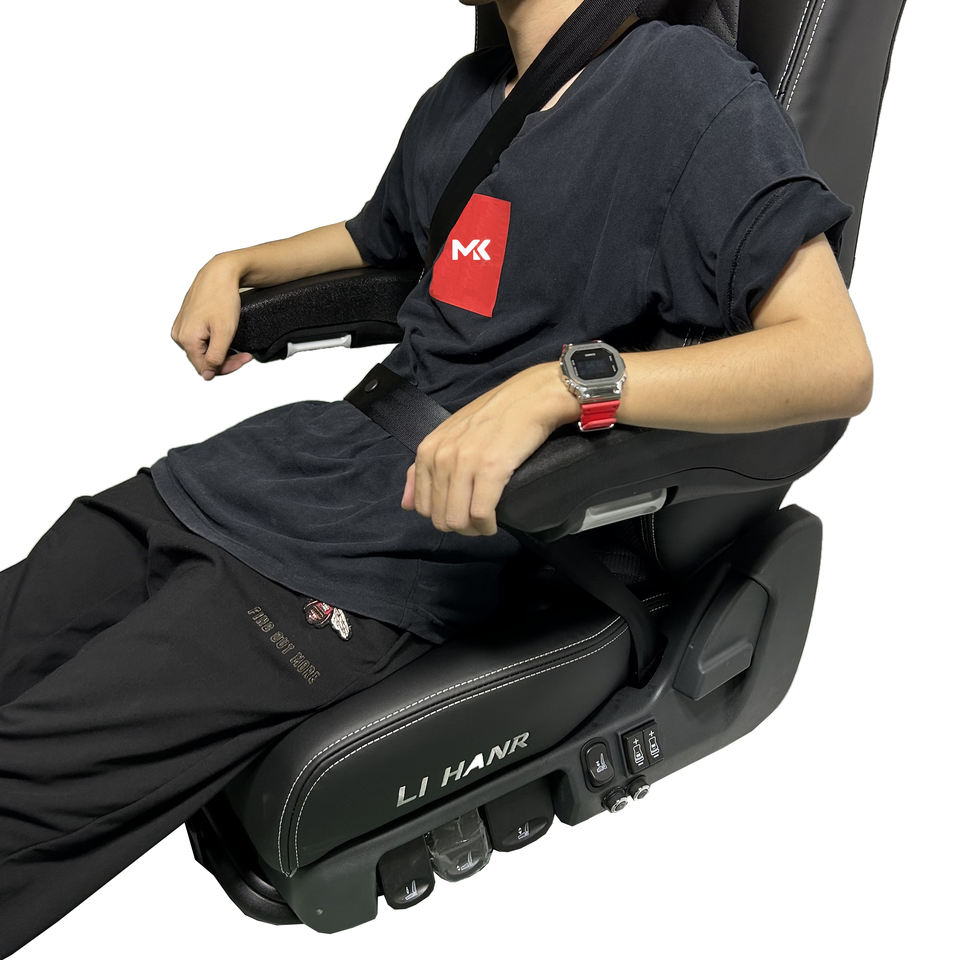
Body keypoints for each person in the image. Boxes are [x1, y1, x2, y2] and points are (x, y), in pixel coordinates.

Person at [0, 0, 873, 954]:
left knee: (23, 780)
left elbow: (833, 360)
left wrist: (562, 387)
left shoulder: (683, 88)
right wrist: (239, 262)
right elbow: (383, 242)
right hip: (267, 475)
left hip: (384, 555)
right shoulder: (469, 99)